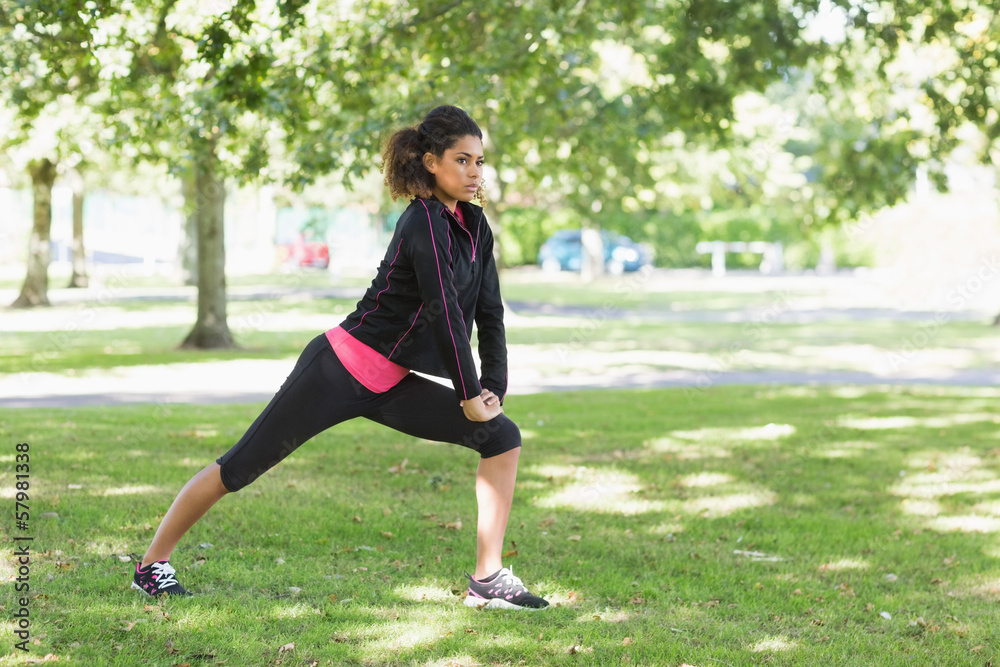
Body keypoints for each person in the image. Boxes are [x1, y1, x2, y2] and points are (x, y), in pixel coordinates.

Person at [131, 105, 549, 611]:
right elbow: (443, 312)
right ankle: (151, 566)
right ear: (432, 162)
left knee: (501, 437)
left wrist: (493, 390)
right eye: (462, 160)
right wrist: (466, 394)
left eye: (480, 162)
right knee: (240, 467)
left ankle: (487, 577)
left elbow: (489, 311)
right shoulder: (421, 222)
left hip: (390, 384)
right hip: (337, 370)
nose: (475, 172)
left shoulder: (475, 226)